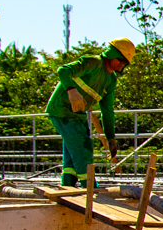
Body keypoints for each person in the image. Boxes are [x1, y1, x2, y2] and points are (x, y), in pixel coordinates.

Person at [45, 40, 134, 188]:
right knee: (83, 146)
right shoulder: (93, 63)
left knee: (72, 149)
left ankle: (67, 185)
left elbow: (107, 111)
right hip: (61, 109)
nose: (121, 64)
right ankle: (89, 186)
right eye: (120, 59)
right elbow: (63, 70)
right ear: (111, 55)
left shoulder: (111, 80)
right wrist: (71, 90)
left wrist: (110, 138)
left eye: (125, 62)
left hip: (78, 114)